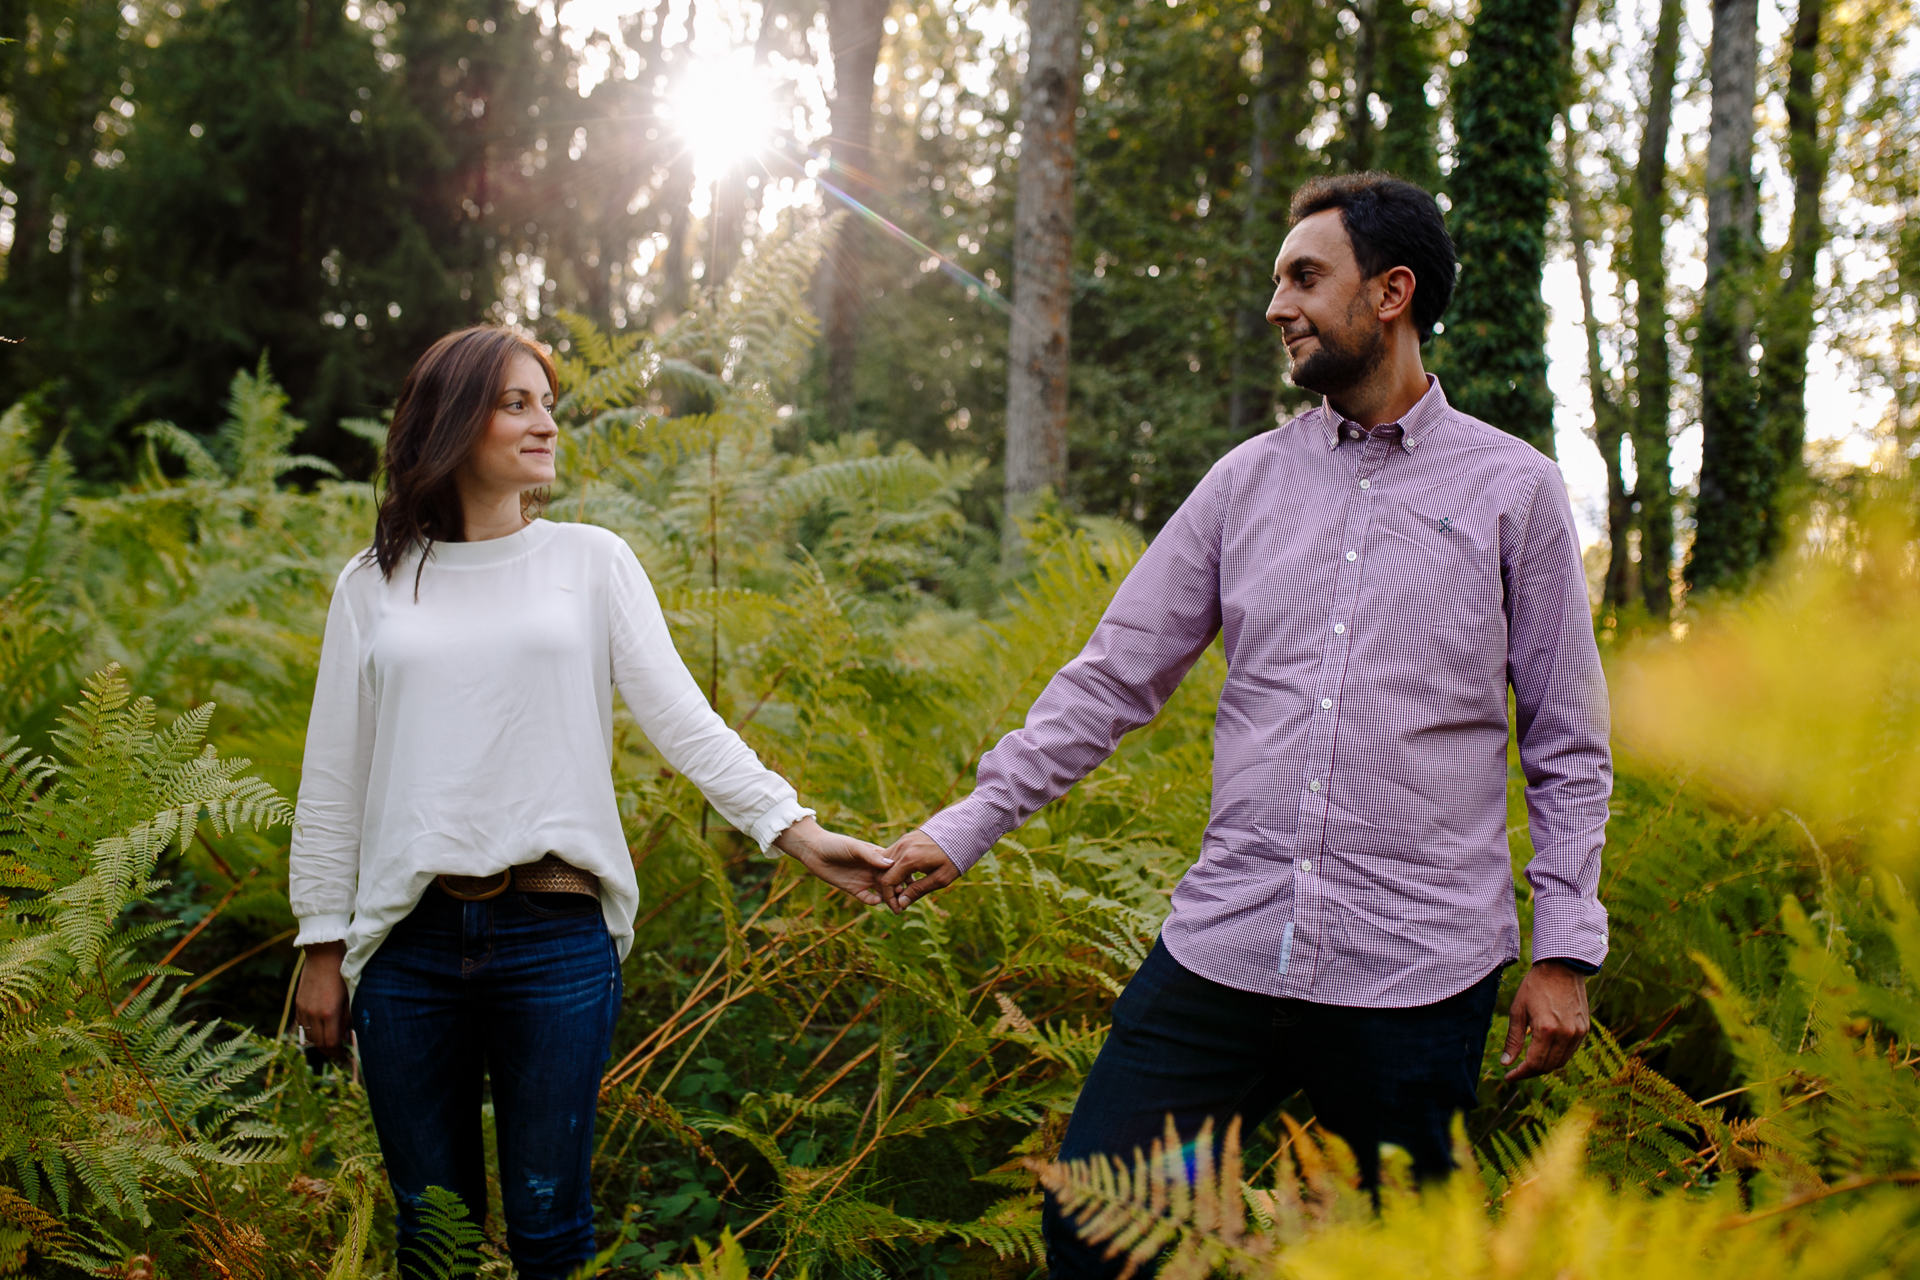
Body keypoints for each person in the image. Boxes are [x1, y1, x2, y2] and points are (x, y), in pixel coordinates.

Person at [877, 173, 1611, 1277]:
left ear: (1393, 293)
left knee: (1410, 1261)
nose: (1278, 305)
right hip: (1230, 942)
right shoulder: (1245, 484)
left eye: (1305, 277)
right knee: (1093, 1225)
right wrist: (971, 821)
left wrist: (1564, 948)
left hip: (1415, 969)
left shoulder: (1515, 490)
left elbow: (1566, 739)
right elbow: (1115, 674)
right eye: (1278, 280)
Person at [287, 326, 893, 1279]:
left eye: (550, 405)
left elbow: (685, 723)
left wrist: (797, 832)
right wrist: (322, 947)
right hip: (406, 949)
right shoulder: (372, 583)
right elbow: (333, 776)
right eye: (516, 403)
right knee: (430, 1239)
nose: (546, 425)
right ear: (451, 423)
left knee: (550, 1231)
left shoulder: (591, 562)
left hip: (554, 935)